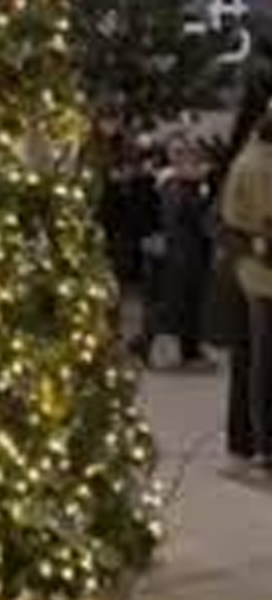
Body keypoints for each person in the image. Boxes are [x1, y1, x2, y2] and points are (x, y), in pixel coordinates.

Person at [129, 136, 215, 369]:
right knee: (173, 305)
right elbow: (186, 218)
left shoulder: (187, 187)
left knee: (189, 305)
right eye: (197, 165)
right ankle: (144, 344)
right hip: (180, 255)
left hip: (189, 253)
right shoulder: (176, 187)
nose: (203, 169)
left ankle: (190, 352)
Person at [221, 110, 272, 470]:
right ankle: (264, 443)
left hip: (251, 272)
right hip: (262, 274)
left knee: (256, 359)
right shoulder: (258, 165)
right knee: (263, 362)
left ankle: (254, 441)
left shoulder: (247, 159)